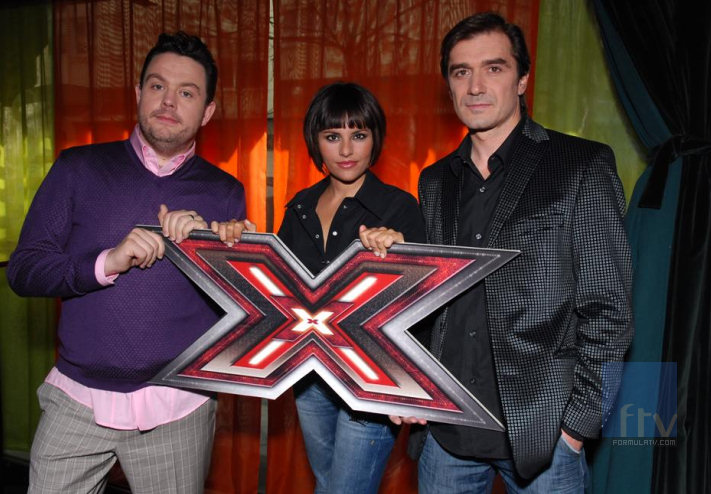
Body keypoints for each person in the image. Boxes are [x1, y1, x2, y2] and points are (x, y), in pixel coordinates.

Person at [360, 11, 633, 493]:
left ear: (523, 79)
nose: (475, 86)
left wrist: (576, 429)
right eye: (461, 72)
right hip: (446, 433)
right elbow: (433, 305)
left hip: (544, 435)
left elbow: (608, 309)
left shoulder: (580, 165)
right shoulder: (435, 180)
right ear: (449, 86)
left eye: (494, 68)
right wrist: (406, 382)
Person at [7, 32, 246, 493]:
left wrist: (211, 251)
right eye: (157, 86)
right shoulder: (76, 168)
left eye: (187, 93)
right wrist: (106, 262)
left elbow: (236, 312)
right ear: (138, 93)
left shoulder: (225, 192)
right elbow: (24, 270)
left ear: (207, 111)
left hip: (180, 408)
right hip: (76, 401)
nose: (169, 101)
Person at [213, 82, 426, 493]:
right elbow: (280, 289)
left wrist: (401, 254)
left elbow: (424, 306)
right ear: (315, 141)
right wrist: (245, 246)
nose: (346, 149)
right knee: (327, 484)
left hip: (371, 379)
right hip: (310, 379)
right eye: (332, 136)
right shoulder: (300, 205)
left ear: (375, 139)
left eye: (358, 135)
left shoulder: (400, 207)